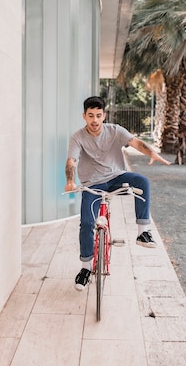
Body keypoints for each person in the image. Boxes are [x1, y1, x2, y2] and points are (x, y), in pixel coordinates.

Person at [65, 96, 170, 290]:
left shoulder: (115, 131)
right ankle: (85, 268)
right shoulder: (78, 137)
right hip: (93, 185)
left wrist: (152, 153)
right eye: (90, 116)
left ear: (104, 115)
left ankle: (142, 232)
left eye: (98, 115)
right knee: (87, 223)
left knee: (142, 182)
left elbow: (136, 142)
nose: (95, 120)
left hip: (116, 178)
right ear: (84, 116)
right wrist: (70, 181)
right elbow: (72, 161)